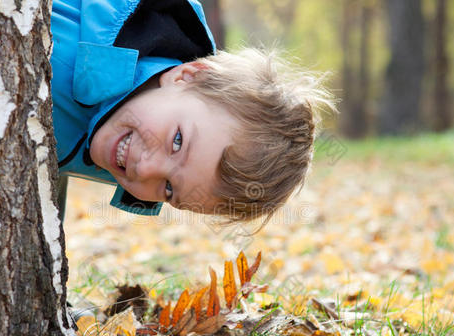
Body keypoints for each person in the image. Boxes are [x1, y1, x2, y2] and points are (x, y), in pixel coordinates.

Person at [51, 0, 332, 227]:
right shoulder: (66, 46)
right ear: (187, 77)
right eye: (177, 141)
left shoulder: (120, 134)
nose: (146, 170)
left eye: (170, 190)